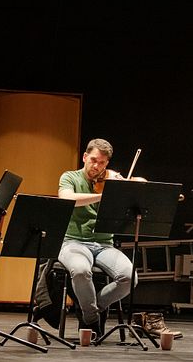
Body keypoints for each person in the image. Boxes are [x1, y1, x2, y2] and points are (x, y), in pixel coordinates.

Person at [56, 138, 135, 336]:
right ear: (85, 157)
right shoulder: (70, 177)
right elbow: (67, 199)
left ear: (107, 163)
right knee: (81, 271)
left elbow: (131, 206)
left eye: (102, 163)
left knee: (129, 277)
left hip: (104, 244)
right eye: (93, 160)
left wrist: (124, 190)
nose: (96, 166)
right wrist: (103, 196)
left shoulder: (111, 180)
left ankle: (90, 309)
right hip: (73, 241)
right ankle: (92, 321)